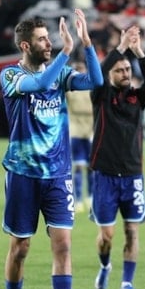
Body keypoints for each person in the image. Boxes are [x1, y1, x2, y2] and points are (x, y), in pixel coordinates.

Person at [0, 9, 102, 289]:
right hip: (23, 173)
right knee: (21, 247)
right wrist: (67, 52)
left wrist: (87, 44)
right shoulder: (10, 76)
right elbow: (41, 83)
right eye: (43, 39)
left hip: (58, 174)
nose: (50, 43)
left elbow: (96, 82)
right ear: (25, 46)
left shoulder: (60, 73)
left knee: (63, 244)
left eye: (50, 38)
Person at [89, 25, 145, 289]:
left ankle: (126, 284)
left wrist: (138, 51)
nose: (125, 73)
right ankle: (105, 266)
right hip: (105, 175)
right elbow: (99, 70)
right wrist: (120, 47)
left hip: (132, 175)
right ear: (110, 74)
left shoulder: (137, 98)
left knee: (132, 231)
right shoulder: (100, 94)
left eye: (128, 70)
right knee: (106, 236)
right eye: (119, 70)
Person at [66, 61, 93, 213]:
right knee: (77, 166)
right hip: (75, 129)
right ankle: (78, 200)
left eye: (82, 69)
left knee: (91, 166)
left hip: (90, 130)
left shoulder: (92, 87)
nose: (80, 72)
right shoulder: (71, 89)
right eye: (77, 69)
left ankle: (90, 197)